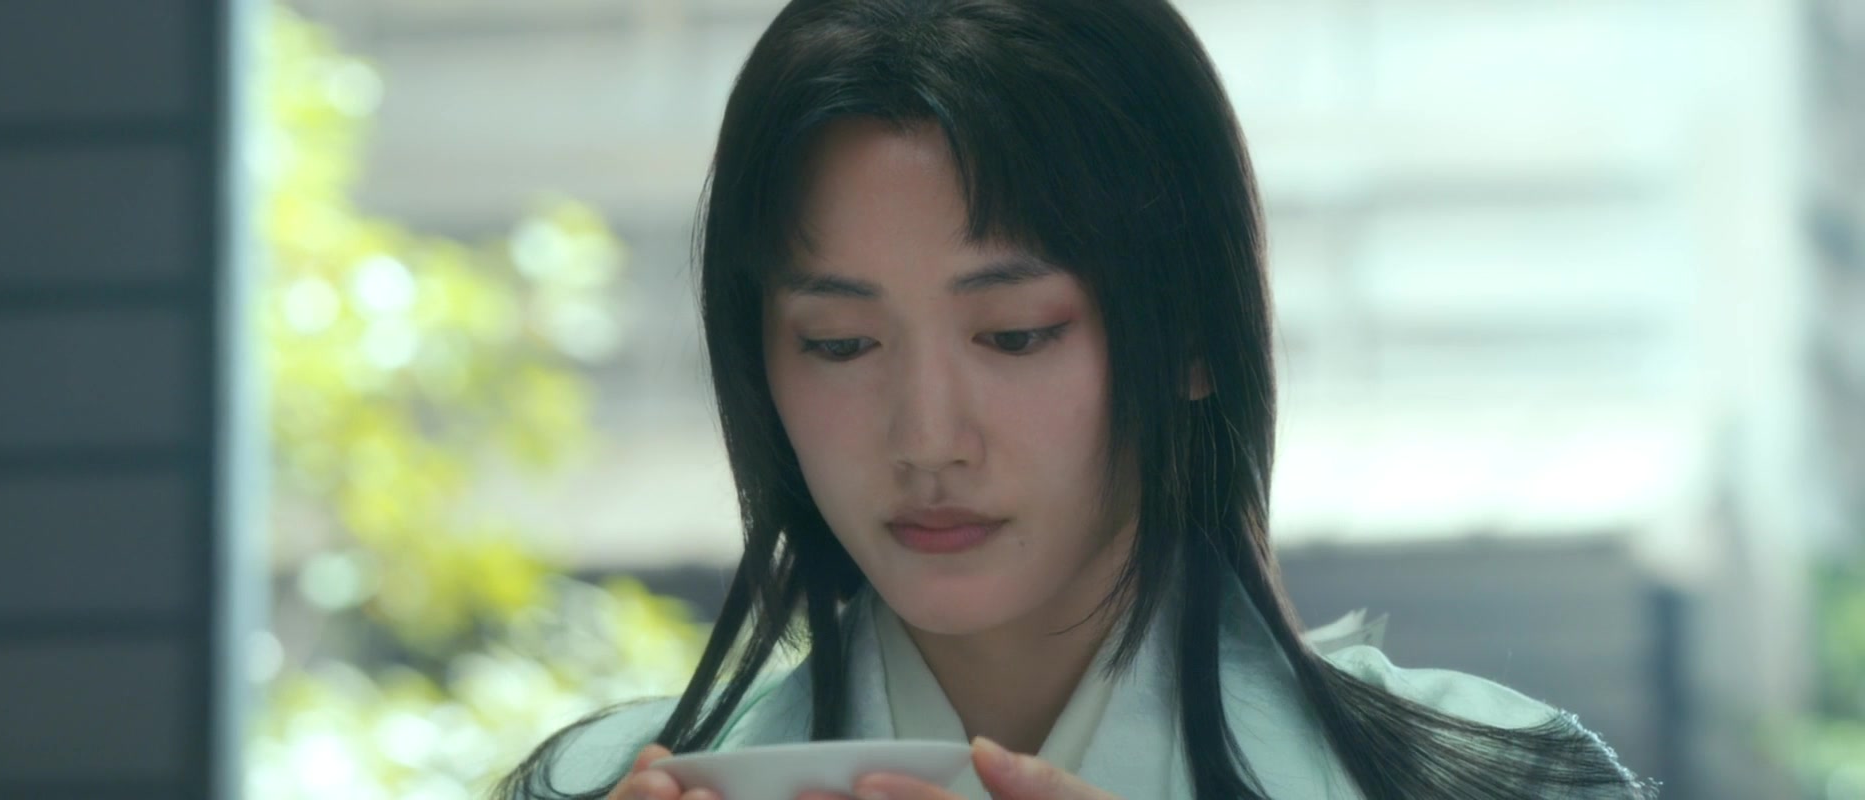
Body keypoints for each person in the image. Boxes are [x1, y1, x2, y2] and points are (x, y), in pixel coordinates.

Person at [494, 1, 1657, 798]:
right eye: (839, 343)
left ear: (1191, 332)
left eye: (1015, 332)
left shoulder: (1503, 780)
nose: (928, 437)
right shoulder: (590, 788)